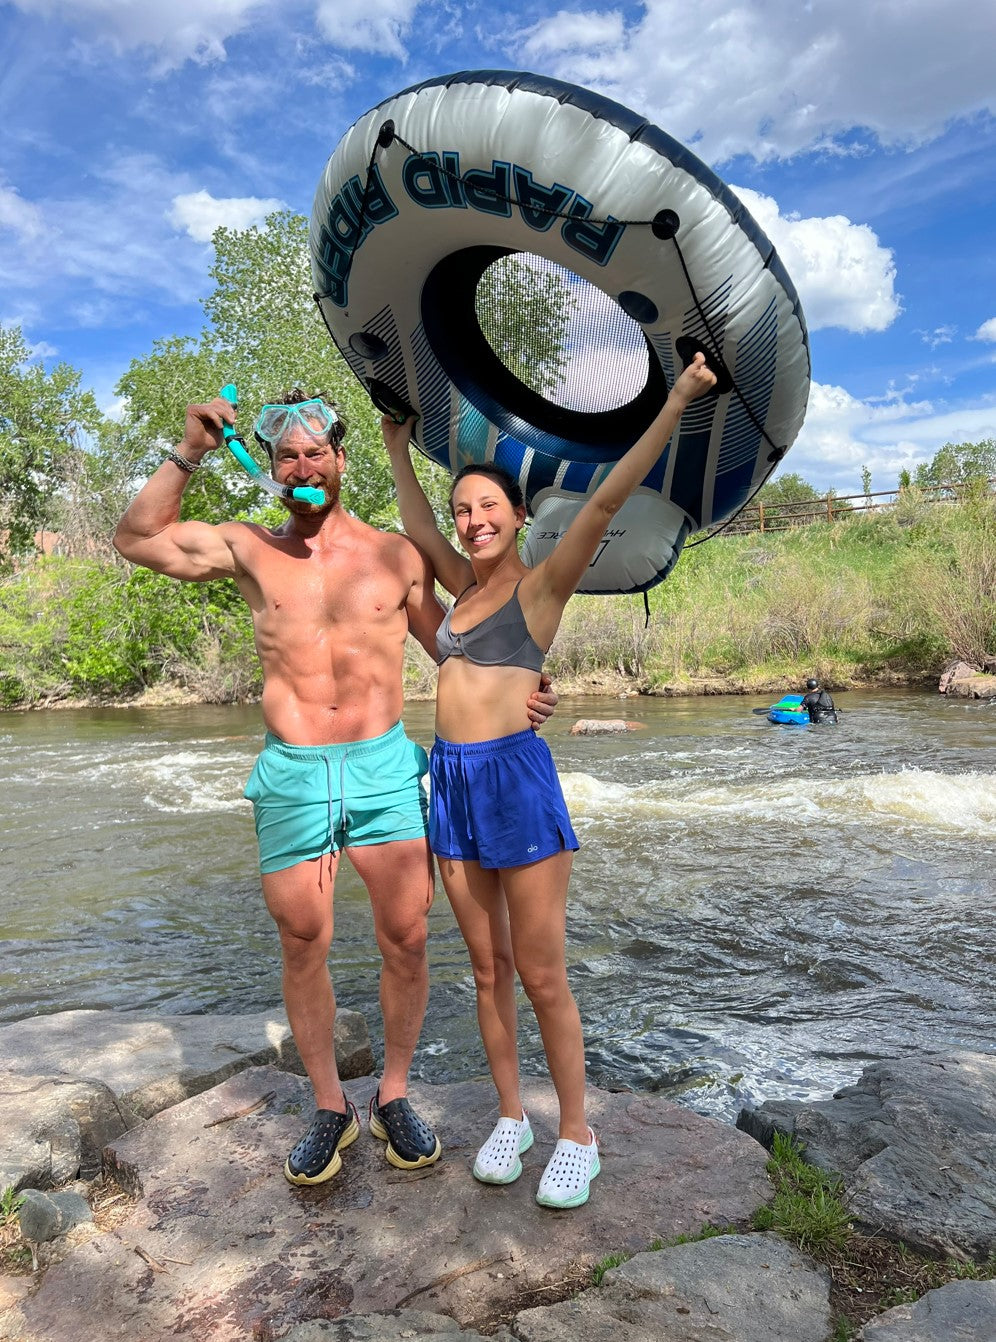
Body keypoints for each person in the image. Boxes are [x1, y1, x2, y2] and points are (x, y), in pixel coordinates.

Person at [113, 389, 557, 1187]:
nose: (305, 466)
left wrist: (529, 690)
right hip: (293, 771)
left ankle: (392, 1093)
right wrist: (190, 449)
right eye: (288, 456)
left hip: (383, 767)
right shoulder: (249, 548)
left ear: (342, 459)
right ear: (274, 471)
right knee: (301, 938)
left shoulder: (397, 556)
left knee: (408, 937)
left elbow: (463, 648)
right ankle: (328, 1106)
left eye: (318, 451)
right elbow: (137, 538)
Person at [384, 353, 717, 1208]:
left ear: (519, 515)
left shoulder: (540, 589)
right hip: (450, 785)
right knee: (486, 971)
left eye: (486, 507)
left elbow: (607, 499)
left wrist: (678, 396)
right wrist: (394, 446)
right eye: (463, 510)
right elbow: (417, 533)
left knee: (541, 974)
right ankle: (510, 1116)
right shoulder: (456, 595)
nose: (469, 521)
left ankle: (577, 1130)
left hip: (517, 785)